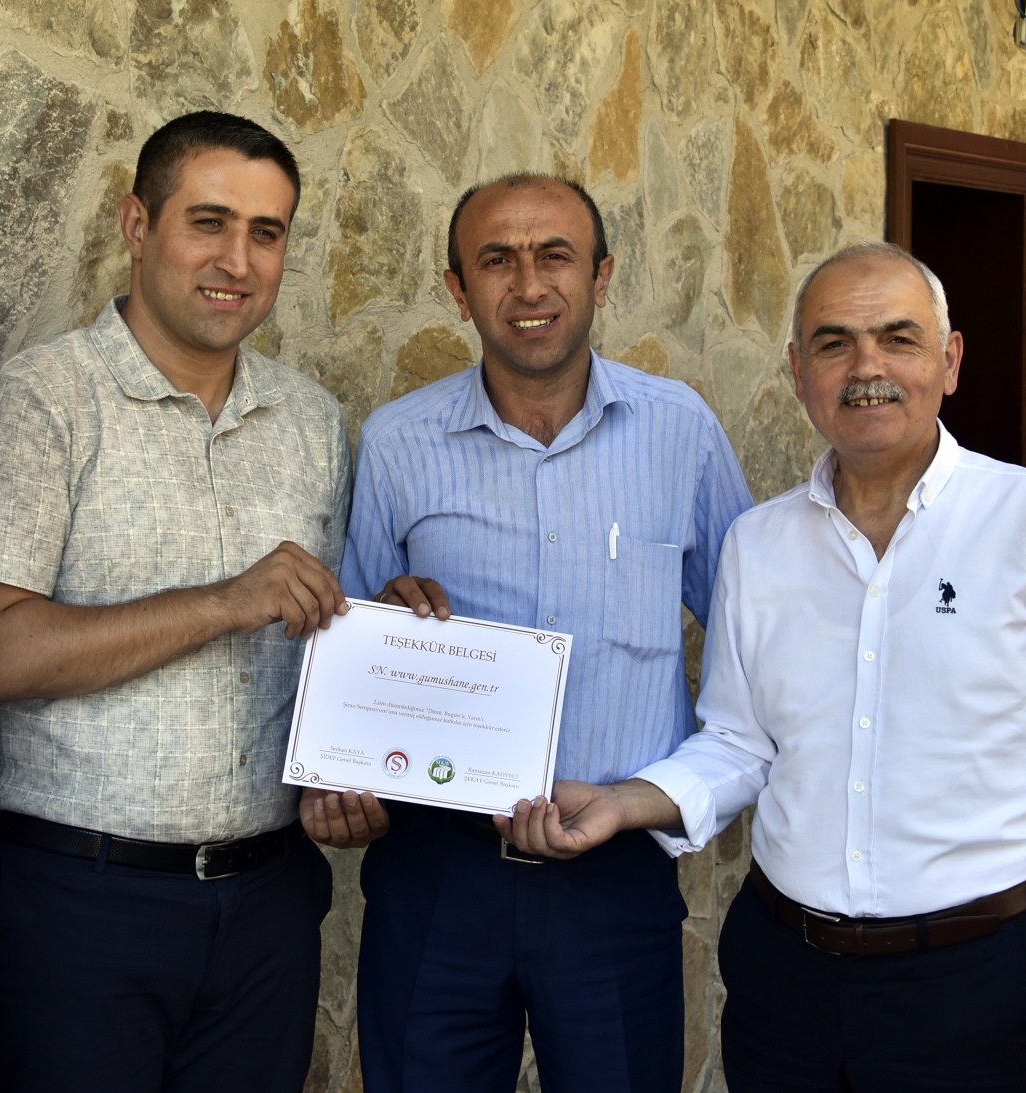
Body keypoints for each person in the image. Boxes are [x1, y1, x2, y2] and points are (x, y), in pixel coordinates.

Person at [528, 240, 1026, 1091]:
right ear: (799, 373)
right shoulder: (759, 543)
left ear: (950, 360)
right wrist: (622, 802)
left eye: (898, 338)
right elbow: (739, 742)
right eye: (835, 343)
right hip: (784, 974)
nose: (867, 368)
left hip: (970, 982)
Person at [310, 173, 752, 1092]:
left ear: (602, 276)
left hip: (614, 877)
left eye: (556, 255)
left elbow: (756, 651)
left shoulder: (681, 433)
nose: (529, 284)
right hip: (437, 872)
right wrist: (368, 704)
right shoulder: (396, 442)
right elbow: (349, 667)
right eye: (496, 260)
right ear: (457, 288)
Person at [0, 111, 350, 1093]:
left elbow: (327, 636)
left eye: (265, 232)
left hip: (269, 904)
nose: (237, 260)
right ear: (136, 225)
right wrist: (222, 603)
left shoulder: (312, 421)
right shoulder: (45, 397)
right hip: (79, 904)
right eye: (208, 222)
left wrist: (359, 754)